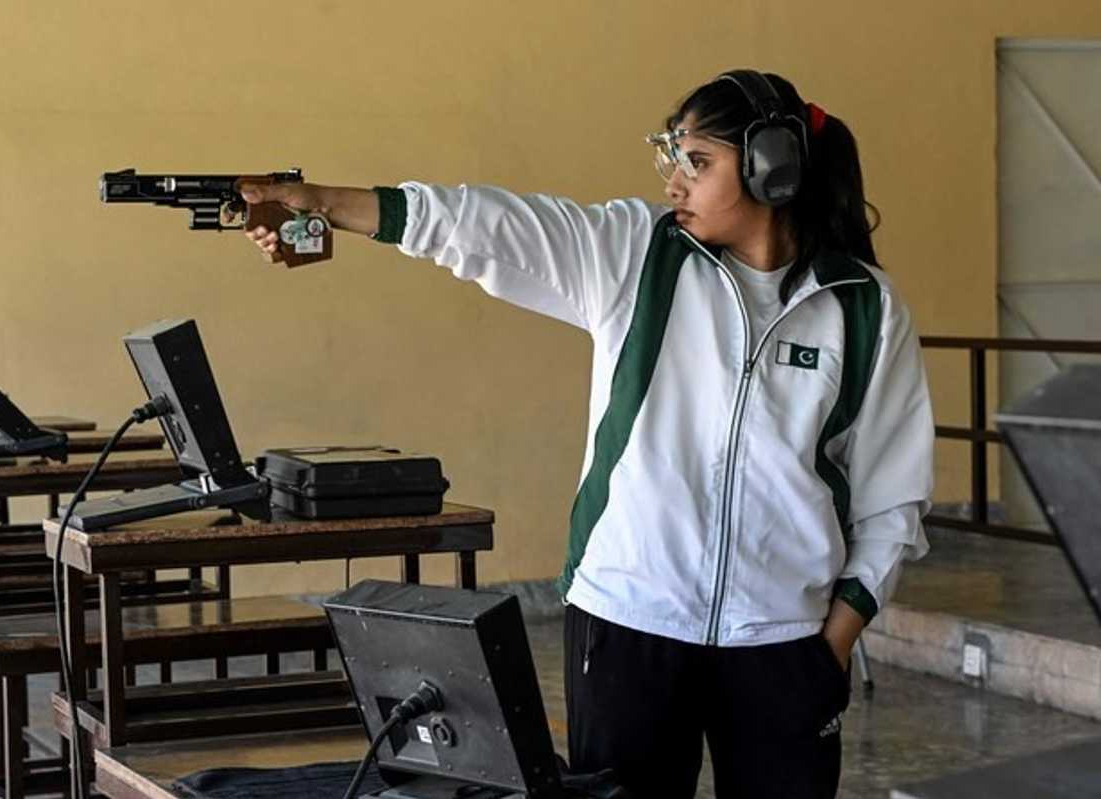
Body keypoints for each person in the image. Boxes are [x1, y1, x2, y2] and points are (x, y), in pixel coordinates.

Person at [238, 69, 934, 799]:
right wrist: (324, 204)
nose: (674, 183)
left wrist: (834, 641)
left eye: (698, 162)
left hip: (783, 645)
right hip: (628, 625)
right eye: (672, 159)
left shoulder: (863, 309)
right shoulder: (635, 254)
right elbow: (483, 225)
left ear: (772, 165)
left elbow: (893, 496)